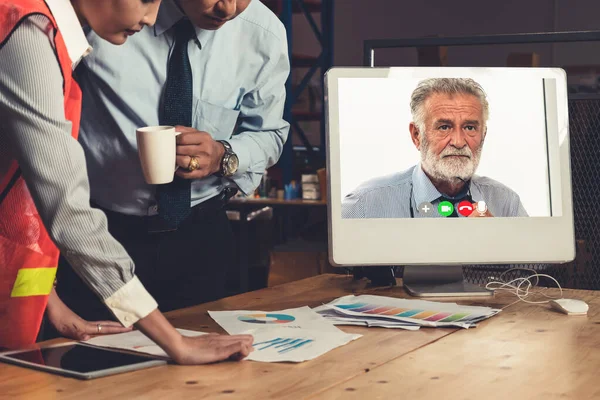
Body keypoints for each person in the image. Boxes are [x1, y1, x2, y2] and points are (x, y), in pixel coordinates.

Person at [0, 0, 253, 363]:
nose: (152, 18)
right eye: (147, 0)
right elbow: (67, 210)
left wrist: (51, 306)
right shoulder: (27, 33)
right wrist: (174, 342)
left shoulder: (39, 32)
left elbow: (20, 199)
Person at [55, 0, 289, 321]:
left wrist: (223, 154)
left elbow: (270, 134)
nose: (229, 8)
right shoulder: (107, 14)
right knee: (96, 362)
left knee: (208, 362)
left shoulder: (264, 34)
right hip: (101, 233)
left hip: (202, 239)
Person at [342, 78, 528, 219]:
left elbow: (537, 269)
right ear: (417, 135)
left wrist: (501, 242)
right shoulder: (365, 203)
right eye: (444, 127)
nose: (458, 142)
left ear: (483, 135)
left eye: (470, 128)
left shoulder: (506, 203)